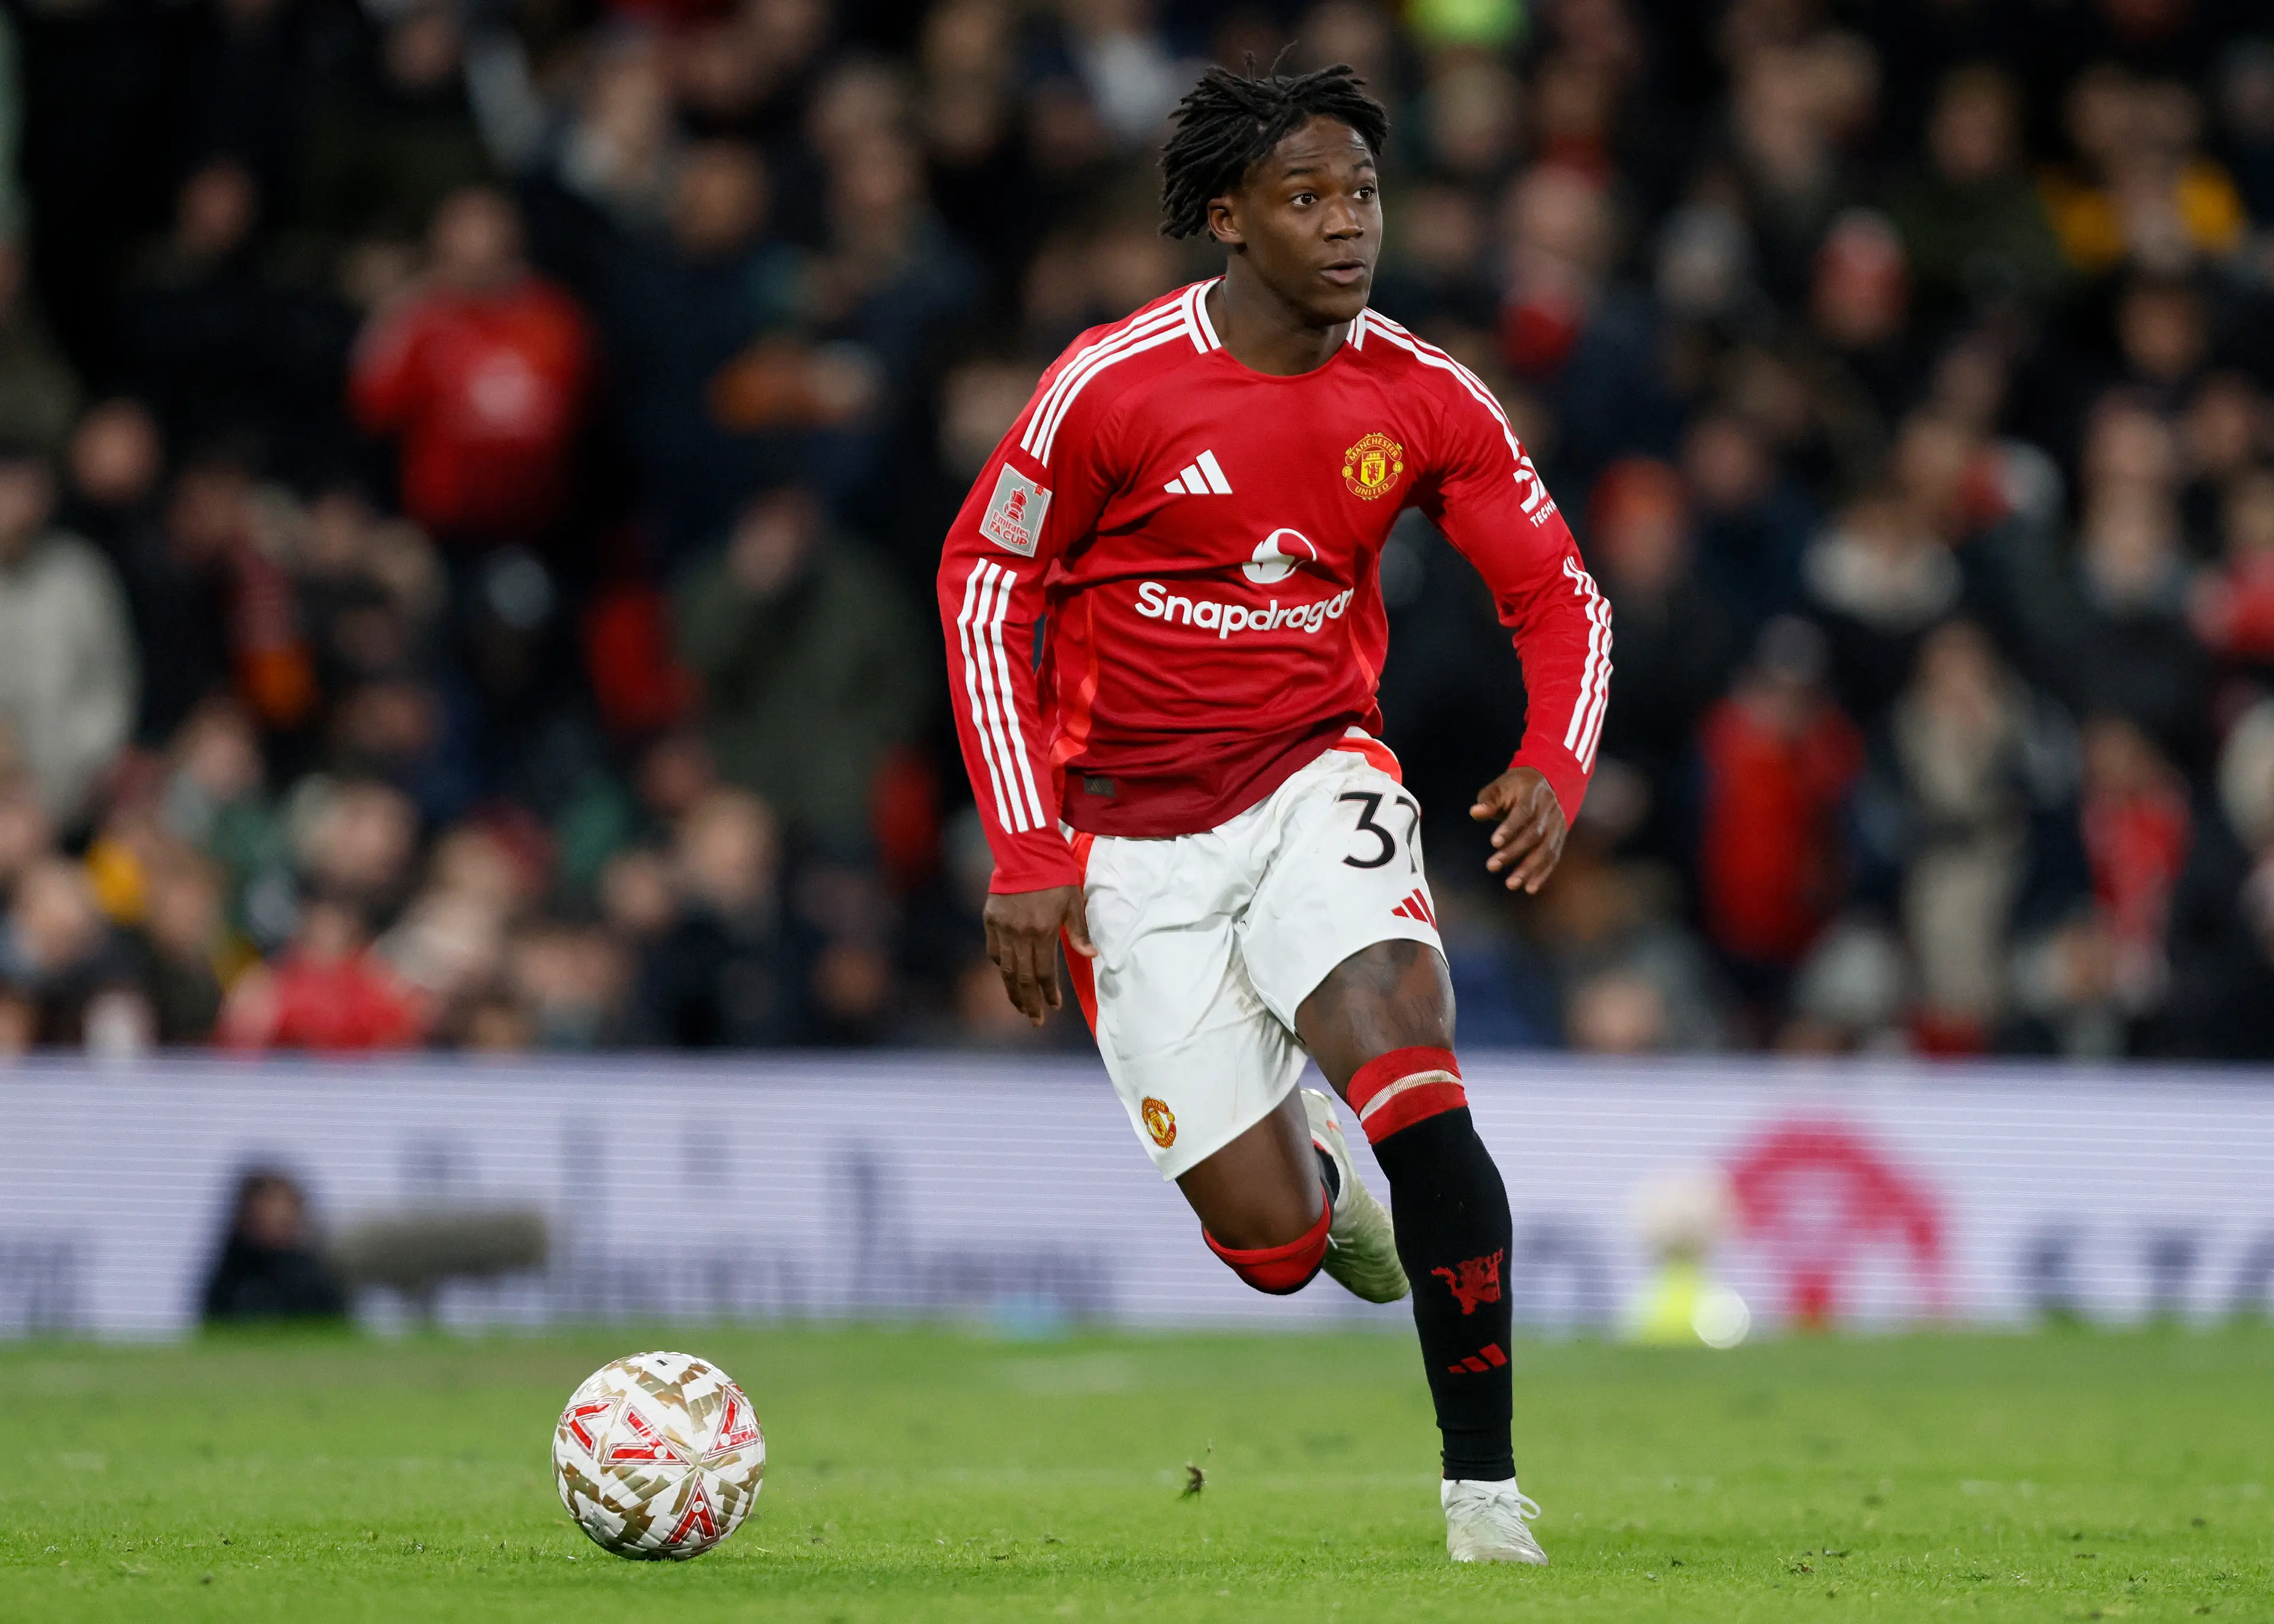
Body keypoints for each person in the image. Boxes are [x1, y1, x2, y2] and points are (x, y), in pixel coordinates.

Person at [934, 63, 1607, 1565]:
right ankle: (1301, 1162)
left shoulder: (1424, 393)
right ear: (1228, 220)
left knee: (1414, 1061)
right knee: (1275, 1249)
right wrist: (1033, 847)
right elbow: (987, 586)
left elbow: (1561, 599)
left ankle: (1484, 1495)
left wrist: (1553, 766)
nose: (1345, 224)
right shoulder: (1115, 383)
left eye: (1362, 192)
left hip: (1317, 776)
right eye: (1305, 199)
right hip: (1127, 842)